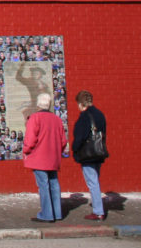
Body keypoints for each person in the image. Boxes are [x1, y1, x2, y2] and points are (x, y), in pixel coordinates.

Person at [23, 92, 67, 222]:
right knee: (54, 183)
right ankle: (57, 213)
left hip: (39, 158)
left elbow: (30, 140)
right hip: (53, 158)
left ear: (38, 104)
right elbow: (63, 141)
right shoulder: (57, 119)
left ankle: (47, 214)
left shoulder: (34, 118)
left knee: (43, 185)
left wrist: (26, 150)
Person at [73, 90, 107, 220]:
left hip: (87, 154)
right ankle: (97, 205)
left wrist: (75, 150)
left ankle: (98, 211)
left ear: (81, 103)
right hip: (99, 151)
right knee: (95, 180)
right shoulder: (100, 115)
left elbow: (79, 138)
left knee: (92, 182)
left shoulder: (84, 117)